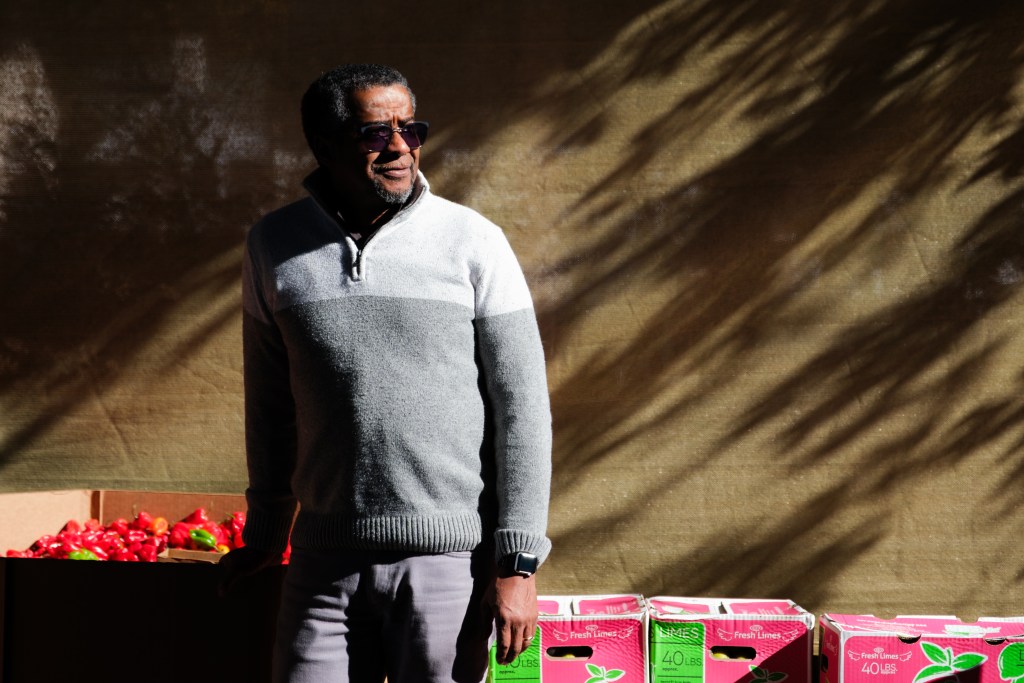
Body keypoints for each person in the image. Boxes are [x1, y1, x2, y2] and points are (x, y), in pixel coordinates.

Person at [219, 63, 553, 683]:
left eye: (411, 128)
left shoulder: (473, 241)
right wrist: (266, 532)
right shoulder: (274, 244)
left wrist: (518, 564)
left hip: (446, 562)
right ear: (324, 145)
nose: (401, 147)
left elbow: (523, 408)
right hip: (321, 560)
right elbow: (270, 403)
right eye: (376, 133)